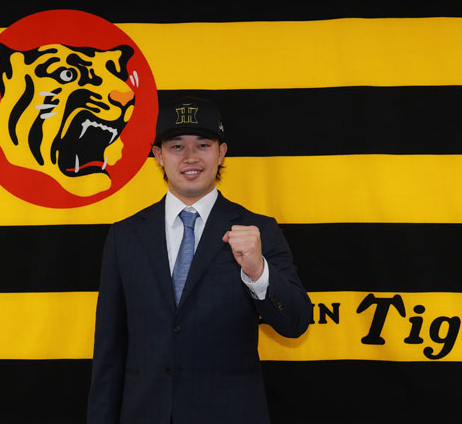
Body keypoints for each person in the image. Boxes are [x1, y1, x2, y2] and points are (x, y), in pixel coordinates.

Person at [87, 96, 312, 423]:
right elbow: (109, 350)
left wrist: (258, 270)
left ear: (221, 152)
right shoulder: (125, 236)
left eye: (203, 145)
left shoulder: (257, 230)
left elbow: (296, 322)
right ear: (158, 155)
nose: (190, 157)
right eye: (177, 146)